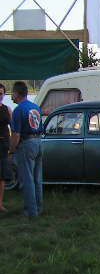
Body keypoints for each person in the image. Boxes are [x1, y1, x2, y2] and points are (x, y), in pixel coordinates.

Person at [9, 81, 44, 218]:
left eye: (12, 93)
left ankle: (31, 212)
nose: (12, 96)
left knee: (27, 179)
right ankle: (39, 208)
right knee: (37, 179)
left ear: (16, 93)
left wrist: (12, 150)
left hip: (26, 143)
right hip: (39, 142)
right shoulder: (36, 107)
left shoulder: (18, 110)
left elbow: (16, 135)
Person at [0, 83, 13, 212]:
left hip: (3, 145)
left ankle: (0, 203)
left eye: (1, 93)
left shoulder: (7, 109)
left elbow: (13, 127)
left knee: (2, 176)